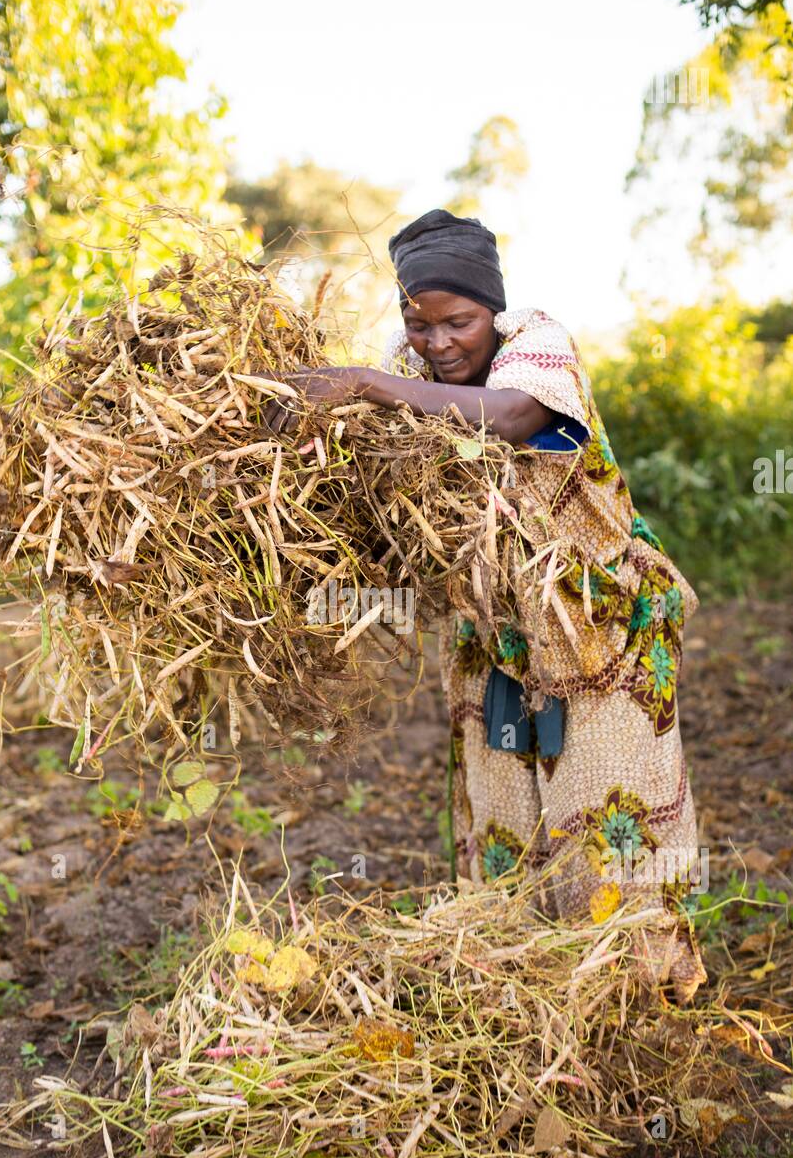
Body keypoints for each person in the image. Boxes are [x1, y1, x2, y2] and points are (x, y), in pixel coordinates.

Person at [266, 208, 707, 1006]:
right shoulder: (406, 366)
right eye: (419, 323)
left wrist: (365, 385)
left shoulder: (537, 345)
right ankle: (534, 1004)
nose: (438, 344)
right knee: (508, 831)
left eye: (458, 322)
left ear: (493, 311)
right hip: (492, 637)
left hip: (597, 630)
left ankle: (638, 1005)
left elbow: (511, 419)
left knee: (606, 823)